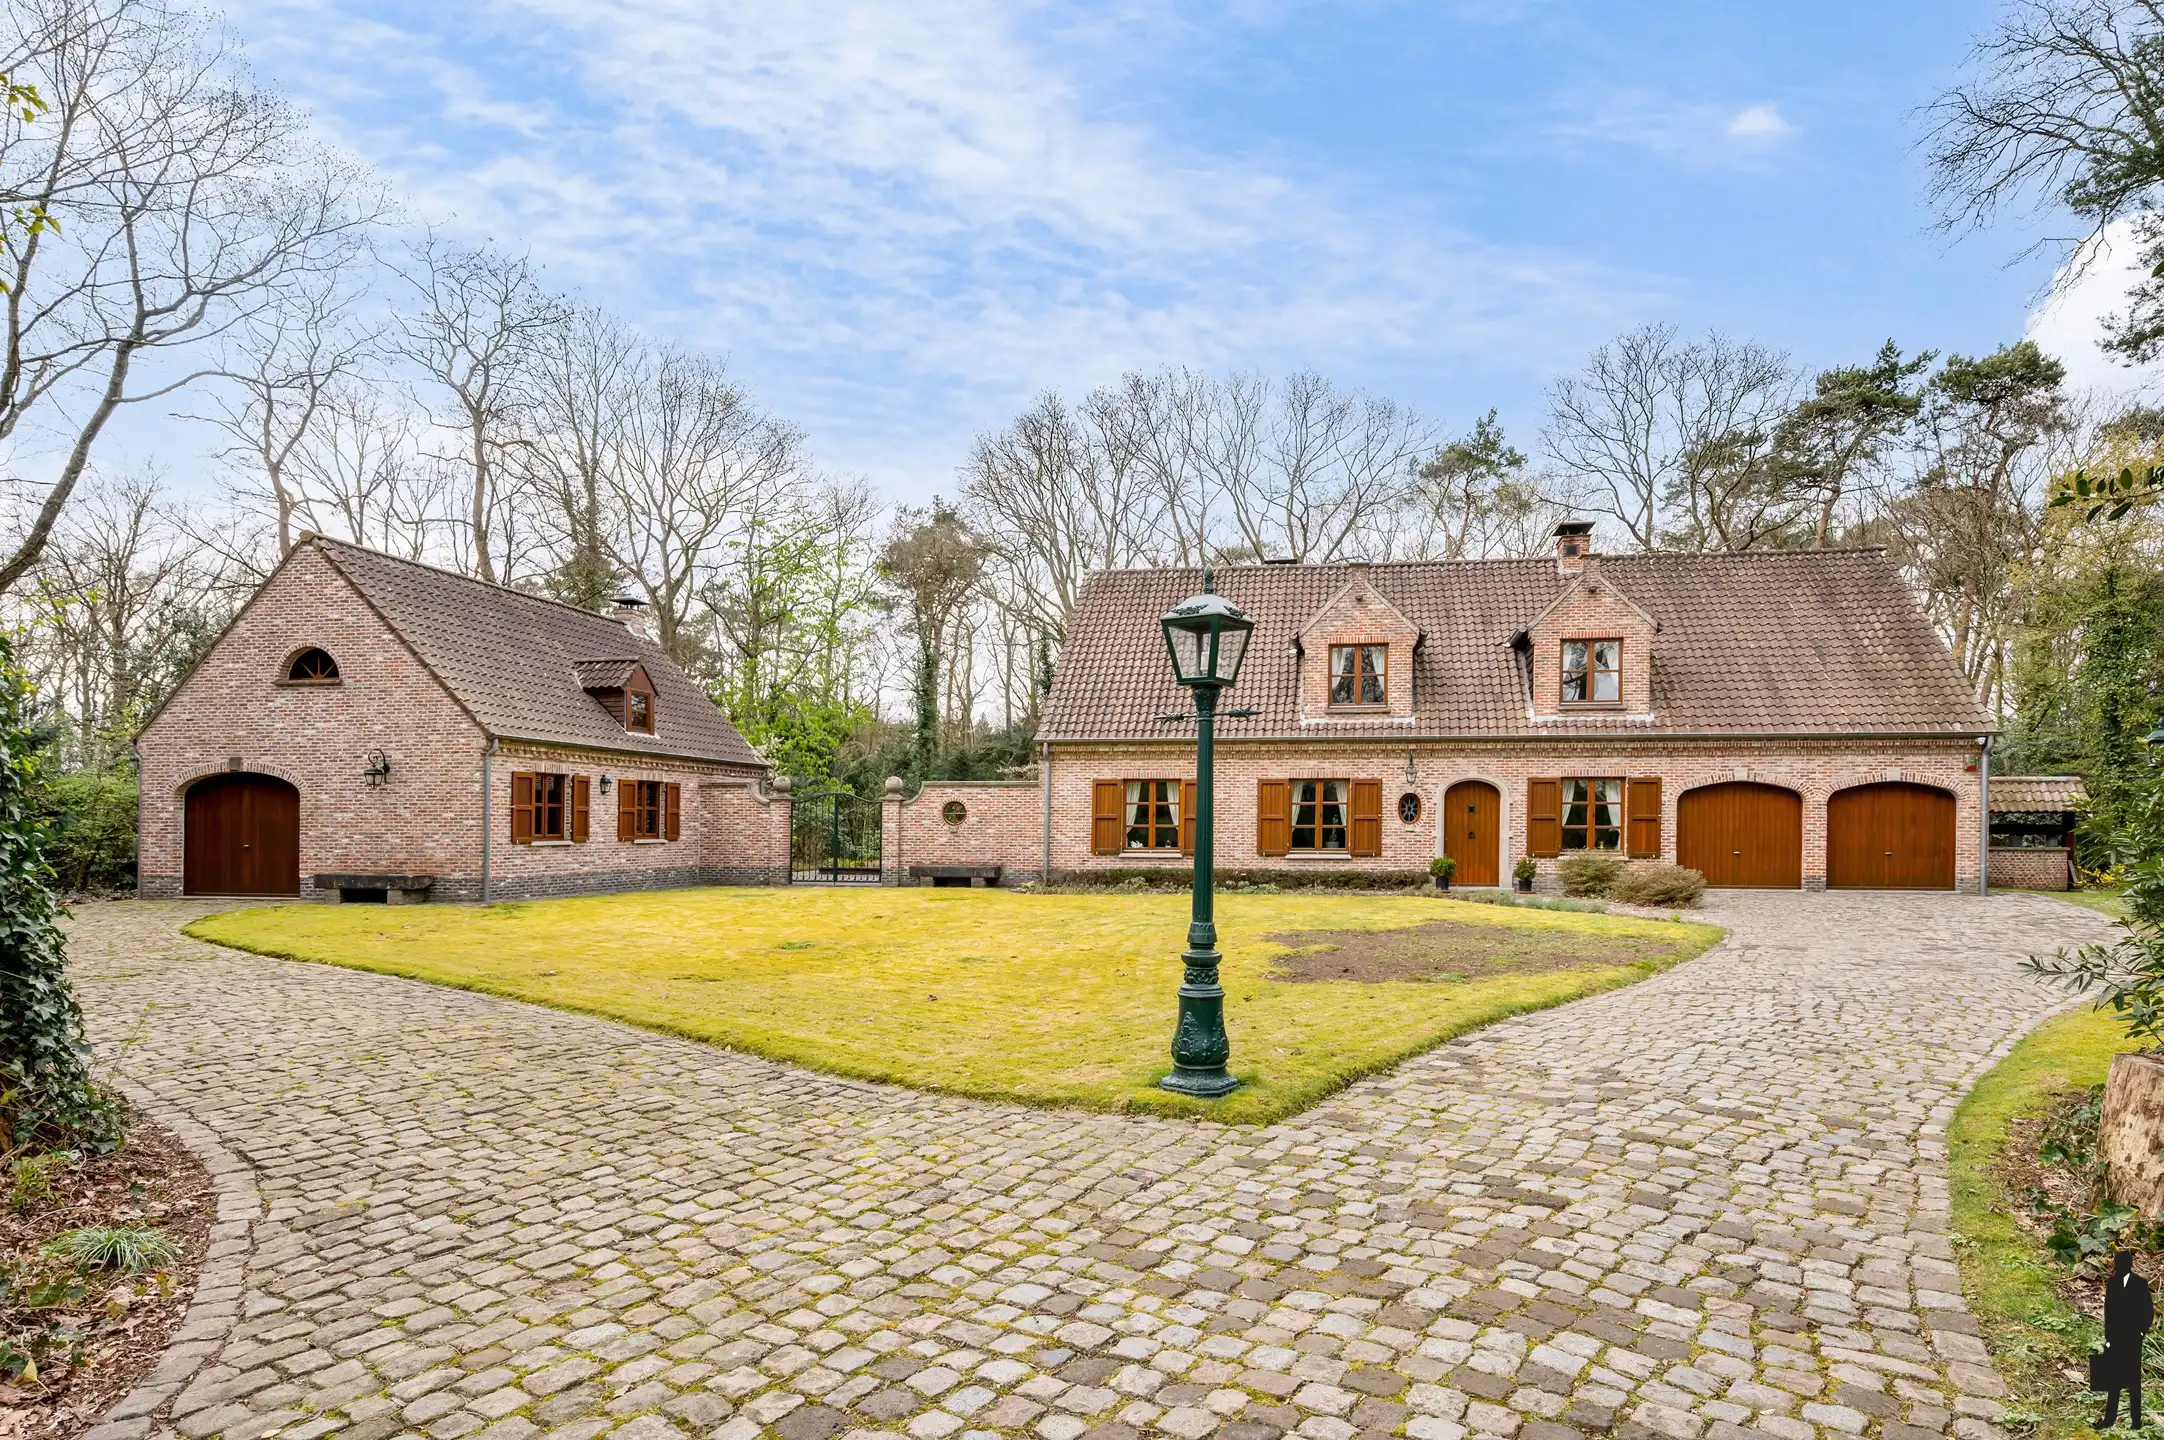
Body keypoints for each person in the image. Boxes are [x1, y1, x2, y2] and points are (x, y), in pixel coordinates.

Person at [2095, 1250, 2154, 1428]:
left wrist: (2141, 1332)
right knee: (2114, 1379)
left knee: (2134, 1380)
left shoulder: (2140, 1283)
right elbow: (2108, 1313)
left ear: (2129, 1265)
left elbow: (2148, 1311)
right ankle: (2109, 1419)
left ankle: (2136, 1421)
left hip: (2133, 1338)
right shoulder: (2112, 1283)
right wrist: (2108, 1338)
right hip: (2116, 1338)